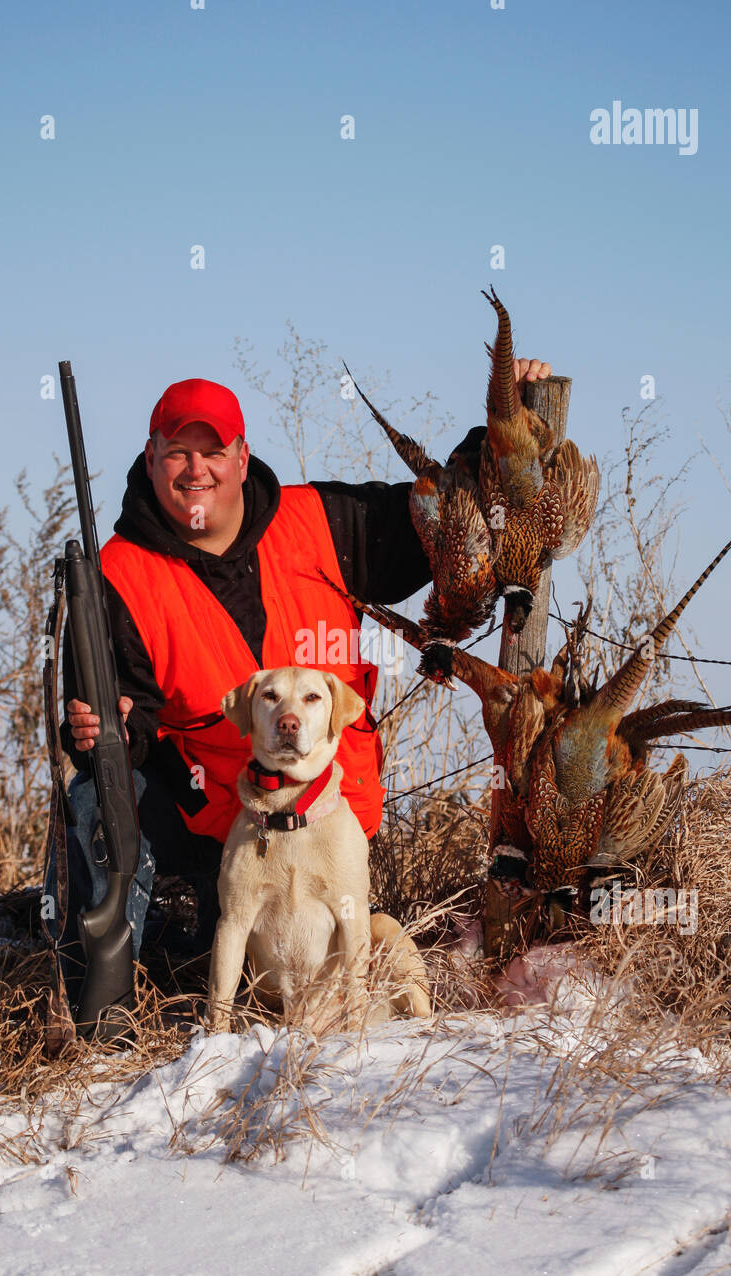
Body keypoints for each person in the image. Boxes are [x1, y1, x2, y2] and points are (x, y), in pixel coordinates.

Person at [50, 357, 550, 1005]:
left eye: (213, 451)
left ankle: (206, 966)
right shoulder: (116, 577)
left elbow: (453, 517)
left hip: (330, 832)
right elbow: (124, 724)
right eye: (177, 452)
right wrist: (102, 731)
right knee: (100, 793)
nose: (195, 469)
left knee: (277, 975)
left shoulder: (322, 522)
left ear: (241, 456)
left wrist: (501, 421)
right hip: (214, 836)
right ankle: (104, 1009)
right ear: (150, 459)